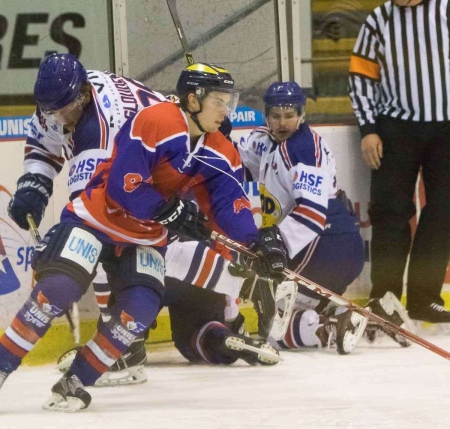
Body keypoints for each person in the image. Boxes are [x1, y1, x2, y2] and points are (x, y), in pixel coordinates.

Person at [0, 62, 282, 411]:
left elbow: (228, 204)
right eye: (220, 102)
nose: (228, 111)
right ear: (194, 100)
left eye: (229, 102)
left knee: (140, 309)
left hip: (146, 236)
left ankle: (75, 382)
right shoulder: (156, 121)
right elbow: (122, 186)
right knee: (57, 289)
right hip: (97, 218)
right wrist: (170, 210)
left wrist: (255, 242)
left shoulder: (220, 149)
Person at [7, 53, 167, 385]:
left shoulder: (102, 130)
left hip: (165, 175)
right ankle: (125, 342)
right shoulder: (62, 97)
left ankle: (127, 346)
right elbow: (44, 145)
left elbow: (96, 219)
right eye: (49, 110)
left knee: (115, 253)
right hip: (144, 157)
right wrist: (34, 184)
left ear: (82, 95)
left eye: (63, 110)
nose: (56, 118)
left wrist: (58, 248)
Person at [238, 81, 368, 355]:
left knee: (271, 326)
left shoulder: (301, 150)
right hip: (327, 243)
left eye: (289, 115)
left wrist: (275, 242)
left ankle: (323, 329)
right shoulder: (264, 140)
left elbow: (311, 214)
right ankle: (336, 314)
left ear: (302, 115)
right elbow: (241, 162)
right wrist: (219, 135)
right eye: (276, 115)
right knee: (282, 308)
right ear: (267, 115)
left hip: (328, 244)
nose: (283, 122)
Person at [349, 0, 450, 323]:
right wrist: (369, 129)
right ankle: (384, 299)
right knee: (390, 214)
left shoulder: (447, 9)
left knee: (444, 213)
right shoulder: (378, 19)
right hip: (395, 128)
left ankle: (425, 298)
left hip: (447, 128)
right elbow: (361, 76)